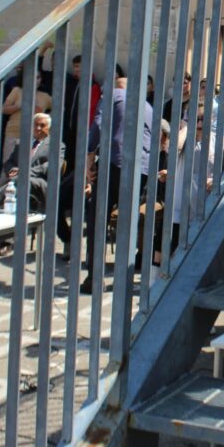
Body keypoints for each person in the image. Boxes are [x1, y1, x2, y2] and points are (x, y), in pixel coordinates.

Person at [81, 64, 154, 293]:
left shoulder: (112, 95)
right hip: (141, 168)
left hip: (116, 162)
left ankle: (95, 278)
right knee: (128, 222)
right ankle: (125, 278)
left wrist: (89, 158)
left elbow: (99, 125)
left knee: (97, 218)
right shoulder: (147, 105)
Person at [2, 113, 62, 212]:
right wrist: (12, 169)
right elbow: (9, 162)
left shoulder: (56, 145)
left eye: (42, 125)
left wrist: (24, 172)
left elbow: (52, 166)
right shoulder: (22, 143)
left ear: (49, 128)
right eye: (35, 125)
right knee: (15, 182)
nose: (38, 128)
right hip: (17, 180)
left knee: (19, 182)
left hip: (40, 181)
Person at [1, 73, 52, 163]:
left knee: (29, 166)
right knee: (9, 165)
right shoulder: (17, 91)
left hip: (34, 136)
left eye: (38, 77)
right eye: (33, 76)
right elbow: (4, 109)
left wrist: (45, 117)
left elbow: (61, 108)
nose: (35, 80)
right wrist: (18, 106)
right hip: (14, 133)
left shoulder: (45, 96)